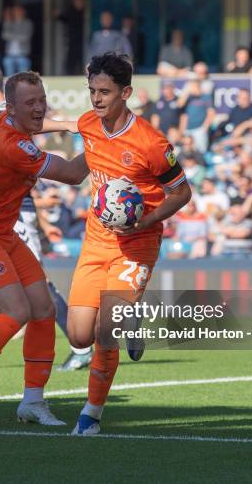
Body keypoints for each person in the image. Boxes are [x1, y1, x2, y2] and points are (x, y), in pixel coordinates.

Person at [0, 71, 90, 426]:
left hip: (0, 231)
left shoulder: (1, 118)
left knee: (42, 308)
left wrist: (69, 123)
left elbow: (37, 124)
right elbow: (71, 173)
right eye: (31, 103)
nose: (39, 109)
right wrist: (99, 138)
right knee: (16, 311)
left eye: (42, 100)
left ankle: (32, 402)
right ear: (11, 107)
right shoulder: (13, 144)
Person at [66, 53, 191, 435]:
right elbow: (74, 168)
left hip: (137, 244)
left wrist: (146, 218)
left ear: (126, 93)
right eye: (92, 91)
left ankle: (92, 414)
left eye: (104, 91)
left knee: (104, 330)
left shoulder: (152, 142)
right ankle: (131, 319)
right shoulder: (89, 124)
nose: (96, 99)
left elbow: (182, 193)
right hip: (95, 242)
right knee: (78, 335)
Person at [56, 0, 86, 75]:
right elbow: (59, 16)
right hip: (72, 41)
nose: (79, 3)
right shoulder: (70, 12)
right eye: (77, 1)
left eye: (80, 1)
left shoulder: (86, 13)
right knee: (71, 62)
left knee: (84, 60)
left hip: (84, 41)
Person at [2, 4, 33, 75]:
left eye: (18, 11)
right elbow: (4, 35)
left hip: (23, 55)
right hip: (9, 55)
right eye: (15, 11)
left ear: (23, 12)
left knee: (23, 77)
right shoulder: (9, 22)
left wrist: (11, 35)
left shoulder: (28, 23)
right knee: (9, 77)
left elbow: (25, 37)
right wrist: (18, 35)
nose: (16, 13)